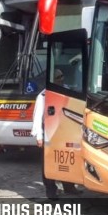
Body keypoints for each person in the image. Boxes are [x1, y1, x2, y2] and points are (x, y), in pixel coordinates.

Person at [31, 69, 81, 199]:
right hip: (49, 131)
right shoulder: (43, 96)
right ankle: (51, 190)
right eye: (58, 77)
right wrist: (39, 136)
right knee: (49, 162)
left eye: (62, 76)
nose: (61, 79)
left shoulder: (67, 90)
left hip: (65, 131)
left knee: (66, 159)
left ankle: (69, 186)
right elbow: (37, 117)